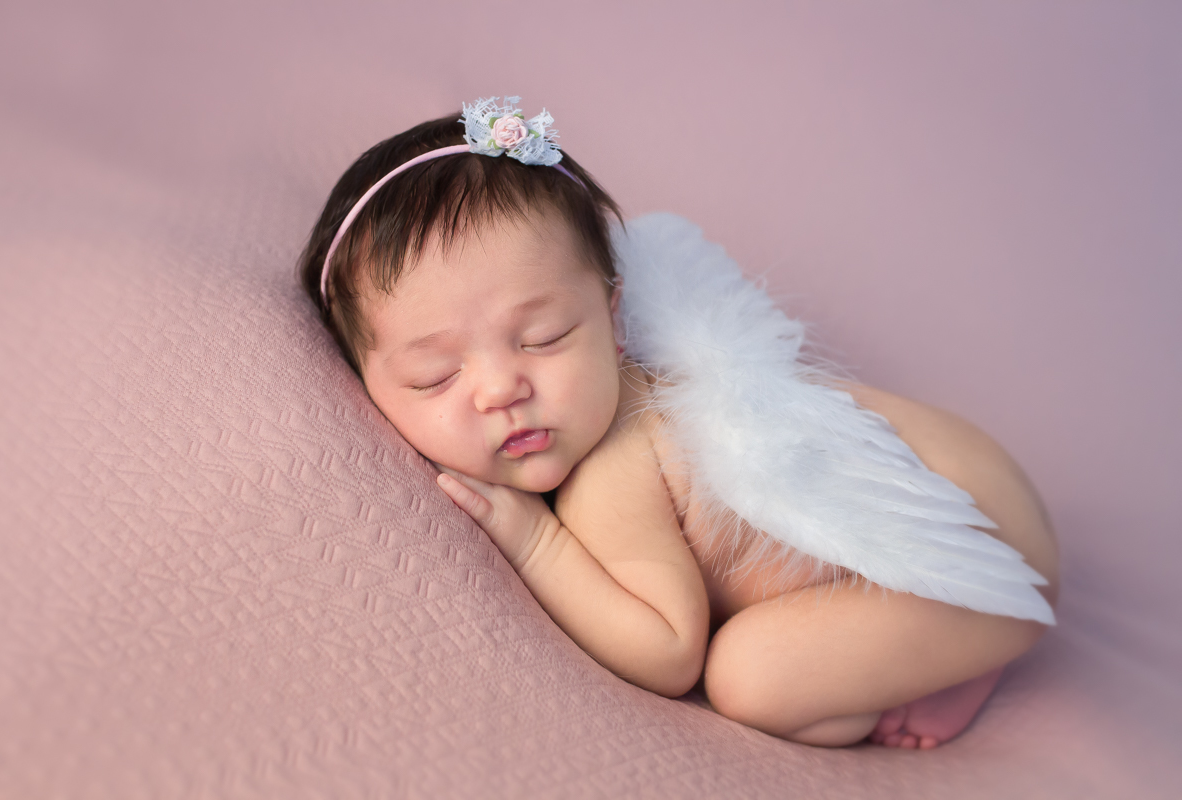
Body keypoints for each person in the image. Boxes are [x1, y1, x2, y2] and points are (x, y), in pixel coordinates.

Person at [298, 98, 1059, 749]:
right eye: (436, 375)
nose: (502, 387)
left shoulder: (617, 461)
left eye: (545, 337)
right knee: (820, 713)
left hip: (978, 529)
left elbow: (667, 651)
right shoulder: (589, 415)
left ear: (614, 316)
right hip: (967, 475)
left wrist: (532, 539)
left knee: (751, 680)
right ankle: (945, 639)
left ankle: (984, 629)